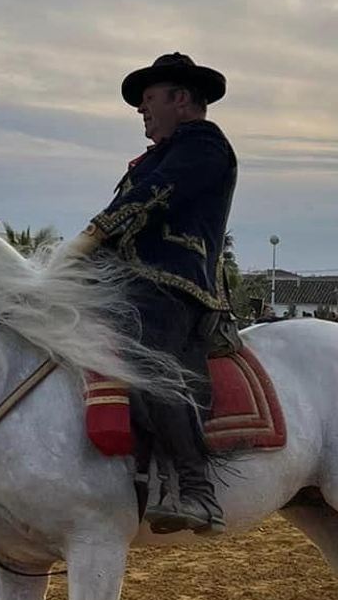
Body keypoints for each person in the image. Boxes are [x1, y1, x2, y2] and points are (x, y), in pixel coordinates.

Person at [61, 50, 237, 534]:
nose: (141, 108)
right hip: (128, 284)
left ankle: (196, 489)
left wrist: (91, 234)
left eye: (149, 98)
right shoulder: (157, 156)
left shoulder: (203, 144)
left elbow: (154, 195)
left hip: (174, 286)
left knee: (148, 364)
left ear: (181, 99)